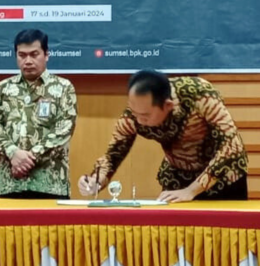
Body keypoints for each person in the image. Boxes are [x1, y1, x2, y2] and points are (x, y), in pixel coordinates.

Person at [78, 69, 248, 203]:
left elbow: (232, 146)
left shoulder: (200, 94)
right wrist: (96, 181)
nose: (139, 120)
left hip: (222, 177)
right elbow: (112, 155)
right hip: (178, 176)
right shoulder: (135, 113)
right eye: (134, 112)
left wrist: (192, 190)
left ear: (167, 105)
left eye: (145, 116)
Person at [0, 29, 78, 199]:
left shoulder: (63, 88)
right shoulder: (2, 88)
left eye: (34, 54)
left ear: (46, 55)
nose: (28, 61)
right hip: (10, 184)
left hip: (50, 185)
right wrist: (13, 153)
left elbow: (64, 130)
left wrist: (28, 159)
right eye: (22, 55)